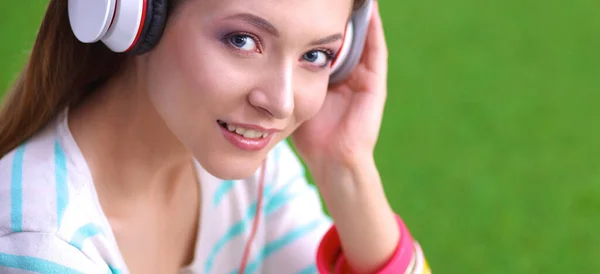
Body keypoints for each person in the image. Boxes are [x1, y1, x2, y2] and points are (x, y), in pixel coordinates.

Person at [0, 0, 430, 273]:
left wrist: (346, 165)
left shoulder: (254, 176)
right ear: (137, 16)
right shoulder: (38, 246)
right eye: (243, 40)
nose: (280, 103)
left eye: (315, 56)